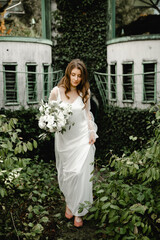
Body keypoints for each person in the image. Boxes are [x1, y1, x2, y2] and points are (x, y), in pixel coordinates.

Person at [49, 59, 98, 227]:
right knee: (68, 175)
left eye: (79, 76)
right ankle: (70, 203)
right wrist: (51, 125)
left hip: (82, 137)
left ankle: (79, 212)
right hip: (65, 140)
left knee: (80, 174)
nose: (76, 79)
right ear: (68, 74)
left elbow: (87, 114)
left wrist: (91, 131)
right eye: (73, 75)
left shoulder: (85, 91)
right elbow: (49, 114)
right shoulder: (57, 92)